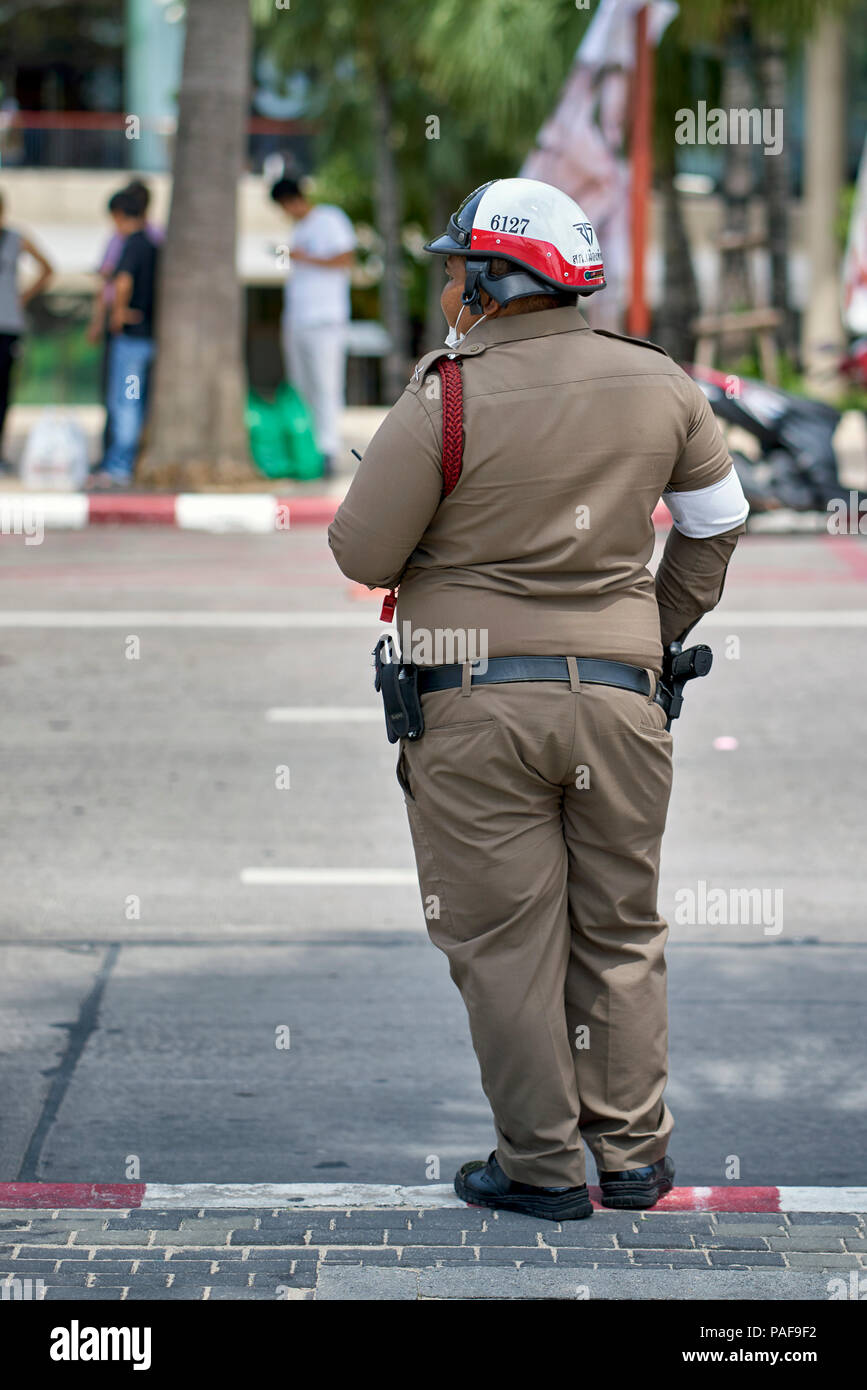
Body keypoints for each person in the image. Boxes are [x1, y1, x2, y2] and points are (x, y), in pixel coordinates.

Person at [328, 178, 749, 1221]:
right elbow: (717, 523)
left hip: (474, 707)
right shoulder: (664, 386)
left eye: (456, 272)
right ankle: (633, 1157)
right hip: (623, 701)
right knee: (620, 929)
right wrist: (648, 637)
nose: (448, 293)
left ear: (490, 280)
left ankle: (543, 1167)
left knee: (507, 944)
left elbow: (361, 550)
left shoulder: (449, 394)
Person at [270, 177, 356, 478]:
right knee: (301, 386)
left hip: (326, 320)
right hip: (297, 320)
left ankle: (327, 451)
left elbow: (346, 258)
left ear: (295, 199)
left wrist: (304, 257)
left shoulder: (330, 219)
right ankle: (305, 448)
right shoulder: (298, 230)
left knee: (326, 385)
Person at [90, 187, 160, 486]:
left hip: (131, 339)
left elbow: (123, 281)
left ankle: (119, 466)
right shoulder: (156, 244)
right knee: (136, 401)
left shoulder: (132, 244)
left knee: (125, 402)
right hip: (149, 336)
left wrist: (118, 313)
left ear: (119, 215)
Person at [0, 190, 54, 467]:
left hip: (7, 325)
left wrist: (23, 297)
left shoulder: (15, 238)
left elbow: (47, 268)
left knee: (3, 390)